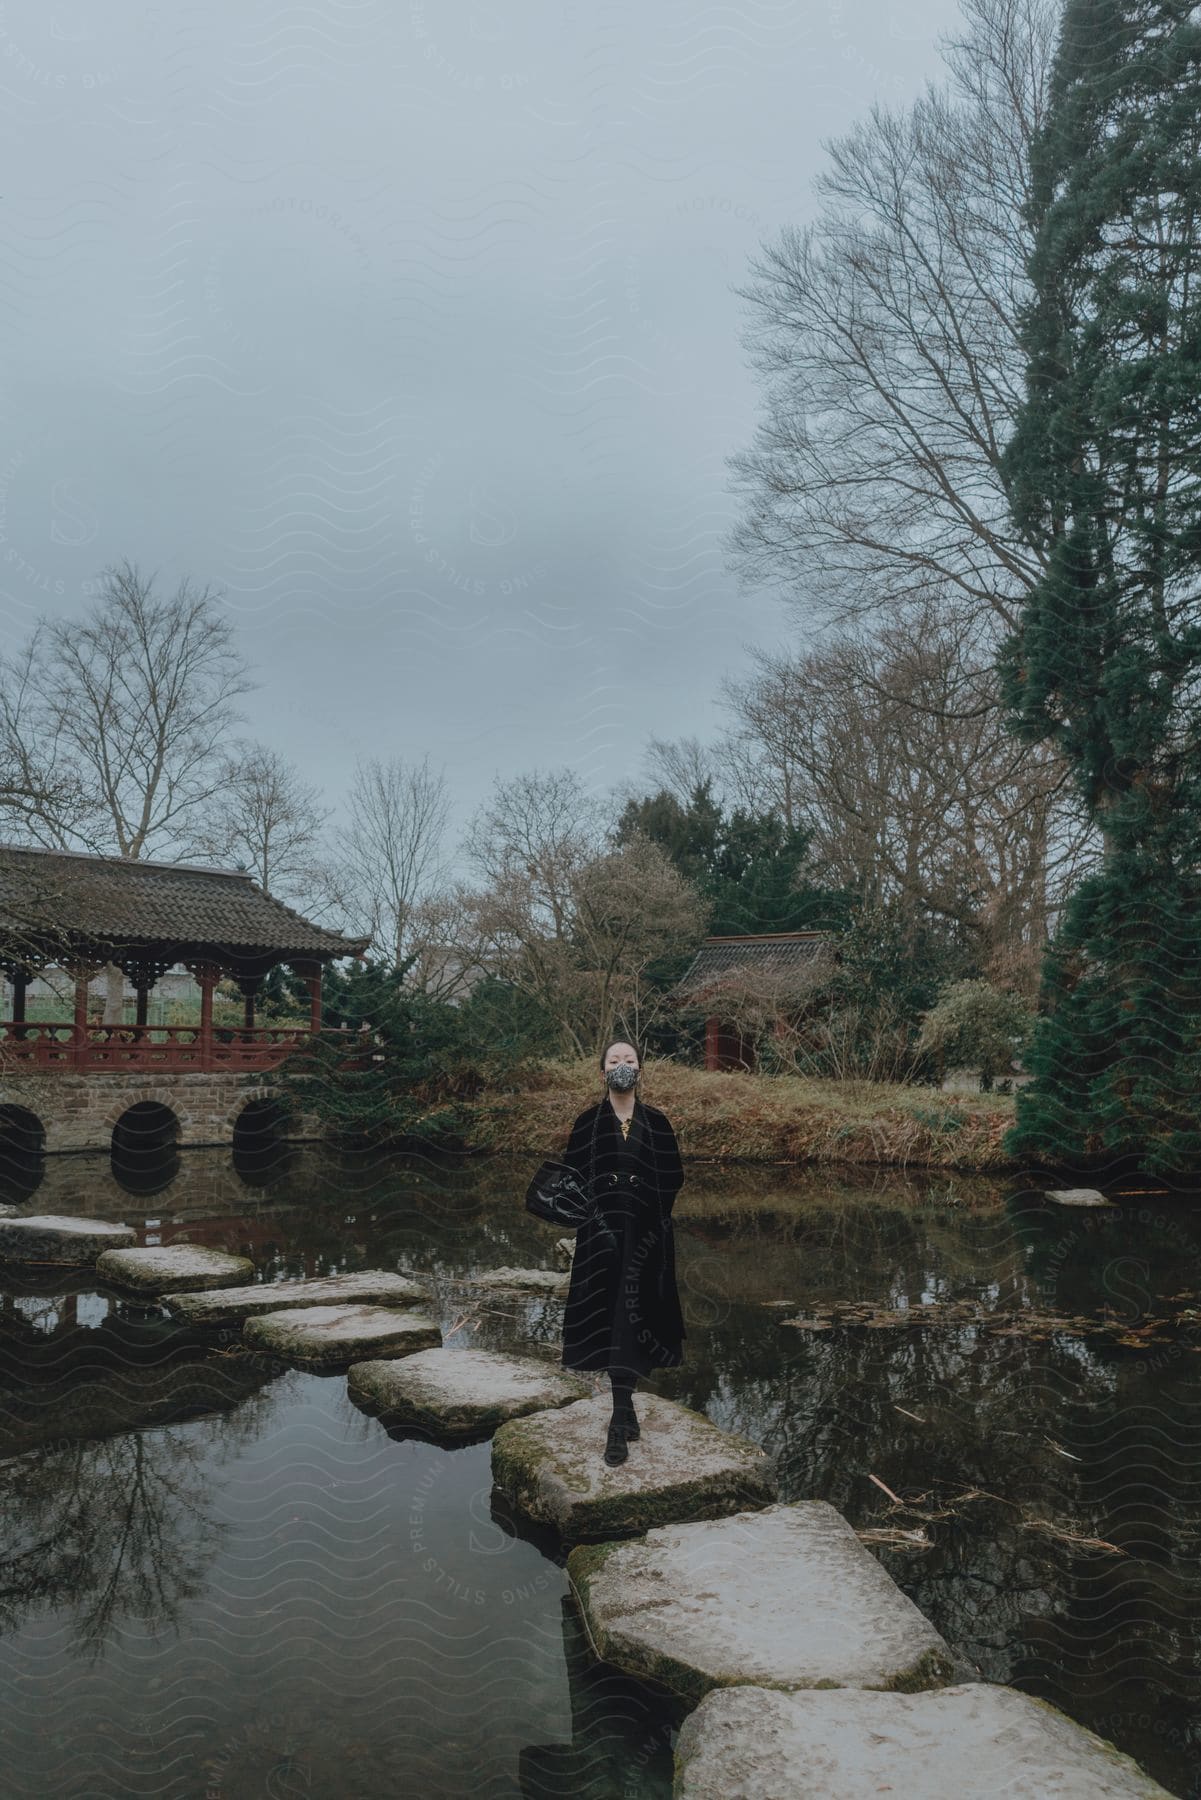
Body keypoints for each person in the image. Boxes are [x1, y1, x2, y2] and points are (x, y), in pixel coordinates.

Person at [558, 1038, 686, 1466]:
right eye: (614, 1060)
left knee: (636, 1319)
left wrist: (645, 1209)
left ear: (640, 1070)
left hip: (646, 1238)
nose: (622, 1065)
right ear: (603, 1073)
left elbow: (674, 1178)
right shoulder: (586, 1123)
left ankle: (623, 1413)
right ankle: (621, 1417)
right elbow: (570, 1180)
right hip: (599, 1238)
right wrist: (598, 1211)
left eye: (629, 1059)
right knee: (609, 1320)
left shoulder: (659, 1123)